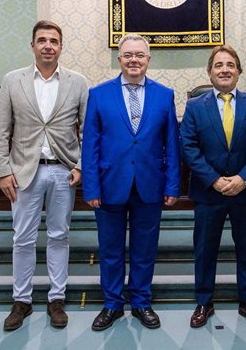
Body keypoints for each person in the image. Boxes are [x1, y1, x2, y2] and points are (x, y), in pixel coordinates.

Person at [0, 20, 88, 331]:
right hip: (23, 174)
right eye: (42, 40)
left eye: (54, 41)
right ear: (32, 45)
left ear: (61, 47)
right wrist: (3, 171)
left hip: (63, 172)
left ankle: (56, 298)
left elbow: (88, 130)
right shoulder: (12, 80)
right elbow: (0, 130)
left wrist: (80, 166)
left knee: (60, 236)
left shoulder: (78, 82)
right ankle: (22, 300)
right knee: (23, 239)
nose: (48, 45)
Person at [81, 33, 180, 331]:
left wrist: (172, 185)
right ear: (119, 59)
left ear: (148, 59)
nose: (134, 60)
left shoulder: (165, 94)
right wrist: (91, 186)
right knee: (110, 249)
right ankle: (112, 304)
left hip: (150, 184)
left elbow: (171, 144)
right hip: (110, 184)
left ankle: (140, 302)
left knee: (145, 249)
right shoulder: (99, 94)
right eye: (128, 55)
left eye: (139, 55)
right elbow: (90, 145)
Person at [180, 45, 246, 329]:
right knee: (205, 250)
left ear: (239, 71)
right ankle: (203, 302)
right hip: (209, 192)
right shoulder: (195, 107)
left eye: (230, 65)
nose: (224, 69)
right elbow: (188, 146)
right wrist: (215, 179)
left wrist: (243, 178)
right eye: (218, 65)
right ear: (210, 72)